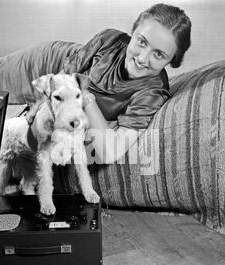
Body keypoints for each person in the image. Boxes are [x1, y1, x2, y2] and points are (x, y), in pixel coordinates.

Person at [60, 3, 192, 164]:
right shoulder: (109, 38)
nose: (142, 58)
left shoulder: (153, 93)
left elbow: (110, 153)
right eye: (142, 42)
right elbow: (62, 78)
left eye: (158, 54)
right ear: (133, 31)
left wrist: (84, 96)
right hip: (41, 59)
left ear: (172, 61)